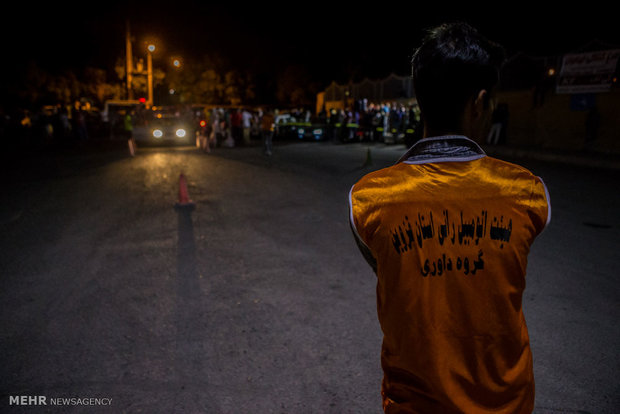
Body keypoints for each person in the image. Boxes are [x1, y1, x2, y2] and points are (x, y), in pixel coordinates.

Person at [349, 23, 550, 413]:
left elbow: (390, 268)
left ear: (421, 99)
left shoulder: (369, 199)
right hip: (506, 404)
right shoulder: (526, 192)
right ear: (479, 103)